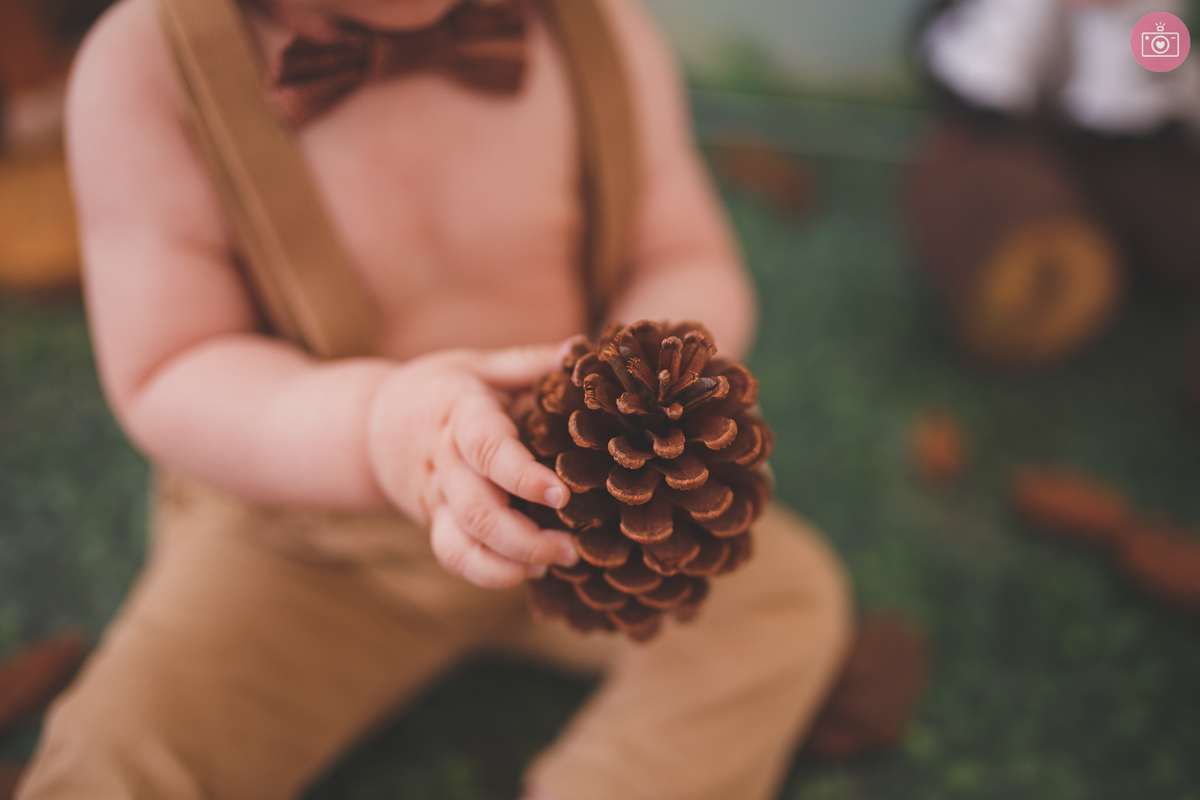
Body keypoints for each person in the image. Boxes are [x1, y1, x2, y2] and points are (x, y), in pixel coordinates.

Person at [15, 0, 853, 798]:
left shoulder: (600, 31)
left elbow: (684, 249)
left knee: (785, 603)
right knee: (123, 751)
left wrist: (641, 380)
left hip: (587, 517)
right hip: (305, 544)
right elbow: (170, 368)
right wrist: (376, 429)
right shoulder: (144, 74)